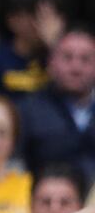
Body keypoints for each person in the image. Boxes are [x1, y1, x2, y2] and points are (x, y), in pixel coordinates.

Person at [18, 26, 95, 184]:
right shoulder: (27, 111)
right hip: (47, 204)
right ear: (51, 63)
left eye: (86, 59)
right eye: (67, 57)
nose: (76, 67)